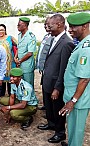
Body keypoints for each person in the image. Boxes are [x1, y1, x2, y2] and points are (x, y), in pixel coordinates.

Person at [37, 14, 75, 143]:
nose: (48, 28)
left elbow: (64, 68)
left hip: (55, 84)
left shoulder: (66, 43)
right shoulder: (53, 38)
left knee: (58, 109)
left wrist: (58, 88)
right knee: (49, 106)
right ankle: (51, 124)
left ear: (59, 24)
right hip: (48, 80)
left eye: (50, 25)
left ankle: (60, 132)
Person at [59, 12, 90, 146]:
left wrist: (73, 101)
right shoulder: (81, 44)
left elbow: (84, 79)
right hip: (73, 95)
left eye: (73, 27)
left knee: (77, 130)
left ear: (85, 26)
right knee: (71, 127)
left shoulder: (86, 49)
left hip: (79, 100)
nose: (70, 30)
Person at [35, 17, 54, 110]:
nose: (45, 26)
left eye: (47, 24)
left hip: (50, 69)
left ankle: (50, 110)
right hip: (44, 69)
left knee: (50, 89)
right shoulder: (46, 36)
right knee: (44, 88)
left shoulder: (54, 38)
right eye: (45, 24)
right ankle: (46, 106)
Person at [15, 17, 36, 88]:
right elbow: (19, 48)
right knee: (21, 85)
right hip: (20, 65)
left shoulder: (30, 36)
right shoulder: (19, 35)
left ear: (25, 25)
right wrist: (15, 57)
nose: (17, 26)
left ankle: (30, 99)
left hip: (27, 66)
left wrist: (20, 61)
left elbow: (30, 53)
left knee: (28, 86)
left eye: (19, 25)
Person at [0, 24, 18, 96]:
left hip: (10, 63)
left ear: (5, 30)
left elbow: (19, 46)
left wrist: (15, 57)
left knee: (11, 81)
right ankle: (2, 97)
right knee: (2, 81)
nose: (1, 31)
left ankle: (11, 96)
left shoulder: (10, 38)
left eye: (2, 30)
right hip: (1, 65)